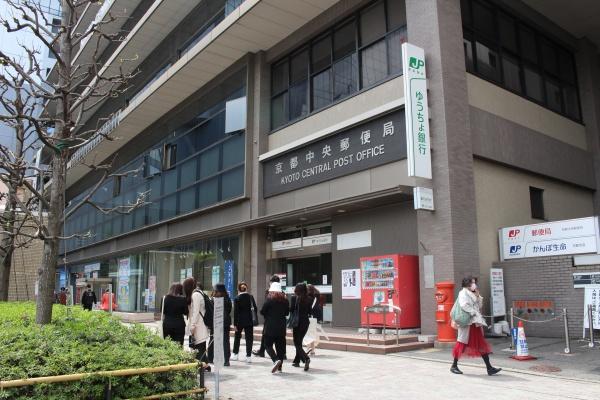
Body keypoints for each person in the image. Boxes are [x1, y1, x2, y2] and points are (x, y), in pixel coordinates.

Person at [451, 276, 501, 376]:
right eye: (472, 282)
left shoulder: (473, 293)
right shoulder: (463, 293)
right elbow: (464, 305)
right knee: (462, 343)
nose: (474, 284)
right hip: (467, 322)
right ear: (467, 284)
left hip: (474, 323)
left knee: (480, 344)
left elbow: (479, 306)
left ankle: (489, 367)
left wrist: (478, 297)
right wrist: (473, 312)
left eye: (474, 282)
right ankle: (454, 366)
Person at [260, 280, 289, 373]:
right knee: (280, 347)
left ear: (271, 290)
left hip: (270, 327)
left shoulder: (269, 300)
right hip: (281, 327)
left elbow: (262, 311)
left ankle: (275, 360)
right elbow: (287, 313)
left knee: (267, 345)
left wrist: (268, 315)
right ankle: (280, 367)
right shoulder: (285, 300)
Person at [184, 277, 211, 372]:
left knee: (199, 347)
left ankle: (201, 367)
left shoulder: (195, 295)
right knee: (199, 346)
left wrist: (192, 326)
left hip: (198, 325)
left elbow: (195, 312)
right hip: (199, 324)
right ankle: (205, 365)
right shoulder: (198, 293)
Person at [253, 275, 282, 358]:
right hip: (279, 319)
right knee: (279, 338)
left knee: (266, 335)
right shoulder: (282, 292)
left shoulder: (269, 292)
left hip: (269, 318)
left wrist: (266, 314)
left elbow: (266, 306)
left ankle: (263, 351)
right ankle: (263, 351)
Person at [232, 281, 258, 363]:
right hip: (249, 321)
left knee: (237, 337)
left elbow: (236, 312)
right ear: (246, 288)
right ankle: (248, 356)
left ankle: (235, 354)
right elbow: (255, 308)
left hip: (239, 321)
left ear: (238, 289)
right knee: (249, 338)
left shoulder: (237, 298)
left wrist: (235, 324)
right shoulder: (250, 297)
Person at [208, 283, 232, 367]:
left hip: (218, 322)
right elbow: (229, 310)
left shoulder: (213, 300)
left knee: (215, 340)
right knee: (224, 341)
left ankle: (211, 358)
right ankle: (225, 360)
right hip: (224, 322)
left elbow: (210, 311)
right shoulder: (227, 299)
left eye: (216, 291)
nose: (214, 292)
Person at [290, 283, 312, 371]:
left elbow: (291, 310)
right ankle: (297, 361)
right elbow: (310, 311)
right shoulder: (309, 299)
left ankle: (306, 358)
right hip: (305, 323)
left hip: (297, 323)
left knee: (297, 343)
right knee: (299, 342)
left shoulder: (294, 298)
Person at [305, 284, 323, 355]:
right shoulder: (316, 298)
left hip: (308, 318)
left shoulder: (307, 298)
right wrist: (319, 319)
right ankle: (312, 350)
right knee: (312, 334)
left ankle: (308, 348)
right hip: (314, 318)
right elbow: (318, 308)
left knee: (307, 334)